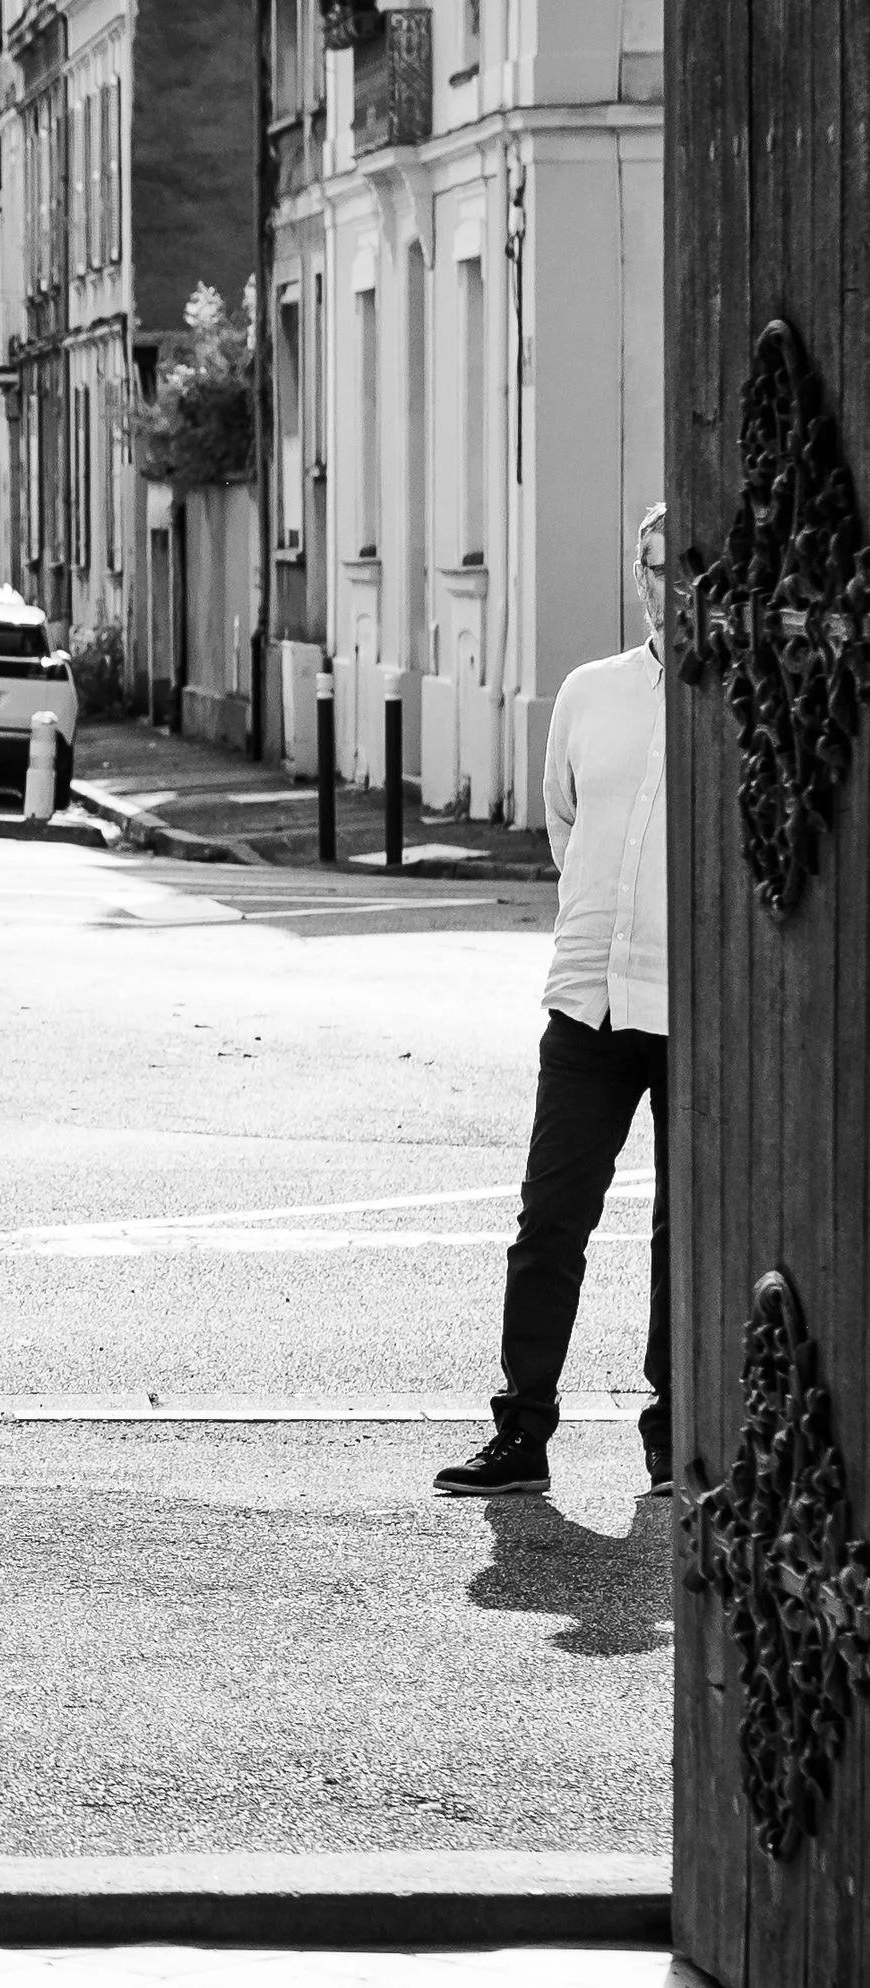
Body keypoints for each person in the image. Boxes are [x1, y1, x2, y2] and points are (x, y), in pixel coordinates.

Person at [438, 501, 671, 1501]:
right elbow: (563, 824)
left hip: (695, 1010)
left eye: (684, 564)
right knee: (548, 1221)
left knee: (685, 1233)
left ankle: (676, 1441)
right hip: (585, 1002)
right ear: (637, 574)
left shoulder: (746, 699)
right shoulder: (589, 692)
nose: (667, 582)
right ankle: (520, 1431)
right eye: (651, 564)